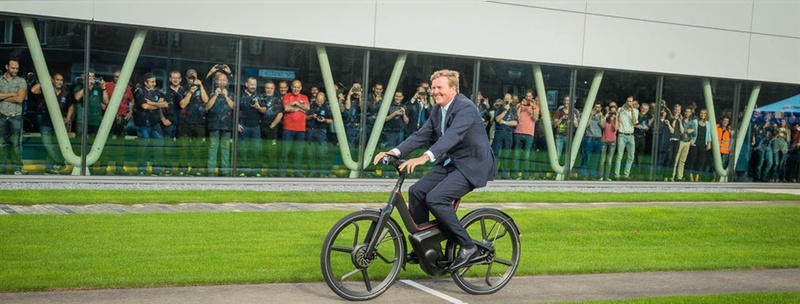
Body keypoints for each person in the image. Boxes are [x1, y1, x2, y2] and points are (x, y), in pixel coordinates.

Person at [373, 69, 496, 272]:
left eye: (440, 87)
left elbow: (452, 136)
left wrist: (425, 157)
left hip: (472, 164)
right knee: (417, 192)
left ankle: (468, 246)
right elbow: (421, 134)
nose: (434, 91)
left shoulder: (465, 107)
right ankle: (426, 244)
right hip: (453, 161)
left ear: (453, 89)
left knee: (436, 198)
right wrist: (394, 152)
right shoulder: (438, 109)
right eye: (433, 87)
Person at [30, 73, 72, 174]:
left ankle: (48, 167)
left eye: (61, 80)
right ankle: (60, 162)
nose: (59, 82)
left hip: (58, 123)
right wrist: (43, 81)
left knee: (54, 145)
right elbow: (33, 90)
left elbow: (71, 105)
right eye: (57, 79)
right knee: (47, 144)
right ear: (53, 80)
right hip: (45, 120)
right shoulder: (46, 89)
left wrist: (68, 118)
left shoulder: (65, 93)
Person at [132, 73, 167, 176]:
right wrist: (158, 105)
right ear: (145, 83)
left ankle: (156, 169)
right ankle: (141, 169)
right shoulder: (139, 91)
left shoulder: (158, 92)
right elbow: (144, 106)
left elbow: (165, 104)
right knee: (143, 147)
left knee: (159, 145)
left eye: (155, 81)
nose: (154, 84)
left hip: (155, 123)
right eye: (152, 82)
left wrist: (152, 104)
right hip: (143, 123)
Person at [177, 69, 208, 176]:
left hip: (199, 121)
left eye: (194, 77)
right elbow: (182, 104)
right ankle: (182, 169)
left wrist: (201, 86)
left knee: (197, 148)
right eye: (190, 77)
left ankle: (195, 169)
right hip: (185, 121)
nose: (192, 79)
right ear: (186, 78)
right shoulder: (182, 89)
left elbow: (206, 100)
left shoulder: (201, 88)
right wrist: (190, 92)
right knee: (183, 147)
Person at [205, 68, 235, 176]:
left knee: (225, 148)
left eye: (224, 80)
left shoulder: (231, 93)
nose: (222, 82)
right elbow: (207, 107)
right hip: (214, 124)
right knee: (213, 147)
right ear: (216, 82)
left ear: (227, 82)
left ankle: (225, 171)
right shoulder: (211, 92)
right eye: (220, 80)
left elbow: (233, 107)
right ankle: (211, 170)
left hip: (226, 125)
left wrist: (226, 96)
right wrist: (215, 96)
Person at [105, 69, 134, 175]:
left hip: (121, 117)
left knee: (120, 144)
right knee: (106, 143)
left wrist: (130, 111)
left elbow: (131, 100)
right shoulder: (108, 85)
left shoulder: (127, 87)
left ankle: (119, 167)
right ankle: (104, 166)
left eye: (120, 76)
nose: (118, 78)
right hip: (109, 117)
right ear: (113, 77)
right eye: (116, 76)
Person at [279, 79, 310, 177]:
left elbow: (307, 108)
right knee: (285, 151)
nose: (296, 89)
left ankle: (297, 172)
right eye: (294, 87)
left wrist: (296, 103)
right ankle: (282, 172)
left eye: (298, 87)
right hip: (288, 128)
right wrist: (300, 108)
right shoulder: (287, 96)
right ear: (291, 87)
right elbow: (286, 108)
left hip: (301, 129)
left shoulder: (304, 97)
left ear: (301, 88)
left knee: (299, 152)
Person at [237, 77, 265, 177]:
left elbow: (264, 110)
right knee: (243, 149)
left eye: (255, 84)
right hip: (243, 126)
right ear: (246, 84)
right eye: (251, 84)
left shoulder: (259, 96)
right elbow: (234, 110)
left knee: (256, 149)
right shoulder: (239, 95)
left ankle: (256, 171)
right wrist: (236, 123)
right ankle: (242, 170)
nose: (253, 86)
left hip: (256, 126)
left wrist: (259, 107)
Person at [259, 82, 283, 176]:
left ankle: (272, 172)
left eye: (271, 88)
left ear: (274, 89)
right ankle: (261, 171)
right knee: (262, 150)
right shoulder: (260, 98)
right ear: (265, 88)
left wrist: (271, 126)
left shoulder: (277, 100)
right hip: (261, 127)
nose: (269, 90)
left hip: (272, 128)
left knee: (271, 151)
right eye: (267, 88)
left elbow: (280, 114)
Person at [512, 90, 538, 180]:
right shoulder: (519, 105)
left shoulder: (535, 107)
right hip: (518, 132)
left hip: (529, 133)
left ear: (532, 97)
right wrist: (520, 106)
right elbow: (516, 117)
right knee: (516, 155)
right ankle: (514, 174)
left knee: (526, 156)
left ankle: (525, 175)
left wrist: (533, 106)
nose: (528, 98)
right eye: (527, 96)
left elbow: (535, 118)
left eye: (530, 96)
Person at [306, 91, 332, 177]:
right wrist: (311, 116)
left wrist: (324, 120)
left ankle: (323, 172)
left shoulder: (327, 107)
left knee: (322, 153)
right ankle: (312, 170)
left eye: (321, 101)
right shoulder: (310, 105)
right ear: (315, 98)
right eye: (318, 101)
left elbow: (332, 120)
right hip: (311, 129)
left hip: (321, 131)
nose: (320, 103)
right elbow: (305, 117)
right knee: (311, 152)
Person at [613, 98, 638, 180]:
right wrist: (620, 112)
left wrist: (632, 111)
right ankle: (617, 175)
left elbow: (634, 122)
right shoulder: (620, 109)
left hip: (631, 135)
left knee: (631, 156)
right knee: (619, 156)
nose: (629, 103)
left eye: (630, 101)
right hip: (622, 135)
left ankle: (626, 175)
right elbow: (618, 120)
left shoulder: (635, 111)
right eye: (627, 101)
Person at [492, 98, 517, 179]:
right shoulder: (499, 109)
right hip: (499, 132)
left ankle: (504, 173)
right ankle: (494, 173)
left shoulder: (513, 110)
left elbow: (515, 123)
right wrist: (505, 111)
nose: (506, 101)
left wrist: (505, 122)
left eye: (508, 100)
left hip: (508, 133)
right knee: (496, 153)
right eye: (505, 99)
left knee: (506, 154)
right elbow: (497, 119)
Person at [583, 102, 604, 180]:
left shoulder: (602, 116)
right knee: (587, 157)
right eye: (595, 107)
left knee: (595, 158)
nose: (597, 109)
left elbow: (602, 126)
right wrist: (591, 116)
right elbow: (586, 125)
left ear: (601, 108)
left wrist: (601, 117)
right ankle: (584, 175)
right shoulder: (587, 115)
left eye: (598, 107)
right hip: (589, 138)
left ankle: (592, 175)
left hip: (598, 139)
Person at [599, 105, 619, 181]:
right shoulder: (605, 119)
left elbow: (616, 128)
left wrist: (616, 117)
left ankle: (606, 176)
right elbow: (601, 125)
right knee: (602, 160)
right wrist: (606, 115)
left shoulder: (616, 120)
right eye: (611, 111)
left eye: (614, 111)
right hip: (604, 140)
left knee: (609, 160)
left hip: (612, 141)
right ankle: (600, 176)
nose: (612, 113)